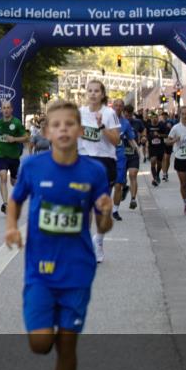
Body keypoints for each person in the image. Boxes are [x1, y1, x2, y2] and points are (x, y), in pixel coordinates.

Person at [4, 98, 114, 370]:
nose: (63, 129)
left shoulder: (93, 172)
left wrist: (106, 213)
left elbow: (103, 227)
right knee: (40, 344)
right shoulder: (34, 168)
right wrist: (11, 225)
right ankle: (47, 332)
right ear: (47, 132)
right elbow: (16, 198)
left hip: (78, 270)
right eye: (57, 125)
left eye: (70, 124)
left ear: (80, 131)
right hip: (39, 269)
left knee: (68, 345)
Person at [77, 80, 120, 263]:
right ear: (86, 93)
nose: (93, 94)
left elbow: (116, 141)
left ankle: (99, 241)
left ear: (102, 94)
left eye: (96, 91)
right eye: (90, 91)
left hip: (104, 161)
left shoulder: (109, 113)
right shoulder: (79, 113)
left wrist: (101, 128)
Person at [0, 100, 29, 214]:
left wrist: (15, 139)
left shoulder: (16, 123)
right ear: (1, 110)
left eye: (8, 108)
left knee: (14, 182)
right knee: (3, 178)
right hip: (2, 155)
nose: (6, 110)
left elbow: (26, 137)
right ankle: (6, 204)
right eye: (4, 108)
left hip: (14, 156)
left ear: (11, 109)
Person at [124, 104, 146, 210]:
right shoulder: (119, 122)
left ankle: (133, 199)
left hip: (133, 153)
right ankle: (123, 188)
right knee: (121, 180)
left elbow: (143, 130)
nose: (128, 117)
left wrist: (143, 137)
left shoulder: (137, 122)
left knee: (133, 175)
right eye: (126, 115)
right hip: (121, 154)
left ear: (133, 113)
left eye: (130, 115)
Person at [147, 109, 166, 186]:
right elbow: (145, 134)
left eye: (156, 117)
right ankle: (155, 178)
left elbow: (166, 135)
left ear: (158, 118)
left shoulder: (161, 125)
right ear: (151, 118)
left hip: (160, 146)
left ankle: (157, 174)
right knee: (153, 161)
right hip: (152, 147)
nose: (154, 119)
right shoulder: (148, 126)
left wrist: (159, 135)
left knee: (159, 163)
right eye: (153, 117)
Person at [159, 109, 174, 182]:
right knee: (164, 157)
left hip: (169, 141)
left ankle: (166, 172)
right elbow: (158, 133)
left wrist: (170, 127)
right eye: (163, 115)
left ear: (167, 116)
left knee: (168, 158)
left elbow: (174, 131)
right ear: (162, 116)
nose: (164, 117)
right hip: (162, 142)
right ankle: (164, 173)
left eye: (165, 115)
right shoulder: (160, 123)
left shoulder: (171, 122)